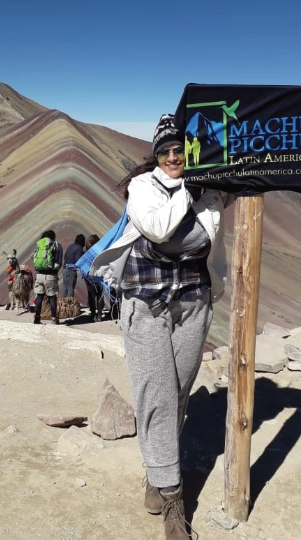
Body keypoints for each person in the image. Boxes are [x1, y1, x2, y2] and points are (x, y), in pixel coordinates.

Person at [90, 114, 234, 539]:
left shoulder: (212, 189)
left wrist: (284, 111)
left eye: (180, 150)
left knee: (176, 392)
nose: (173, 157)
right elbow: (157, 227)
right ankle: (174, 500)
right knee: (155, 394)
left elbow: (253, 171)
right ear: (156, 155)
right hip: (145, 303)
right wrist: (190, 186)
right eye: (165, 151)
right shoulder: (143, 188)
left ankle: (156, 471)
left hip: (193, 302)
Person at [33, 230, 63, 325]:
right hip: (51, 276)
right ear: (53, 237)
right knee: (52, 298)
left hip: (39, 275)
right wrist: (54, 271)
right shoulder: (57, 246)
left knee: (39, 297)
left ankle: (37, 318)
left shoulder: (40, 245)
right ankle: (54, 319)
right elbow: (59, 263)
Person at [83, 234, 104, 322]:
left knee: (91, 295)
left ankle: (93, 315)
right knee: (100, 294)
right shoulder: (101, 252)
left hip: (89, 276)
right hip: (99, 275)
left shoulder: (86, 253)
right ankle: (99, 315)